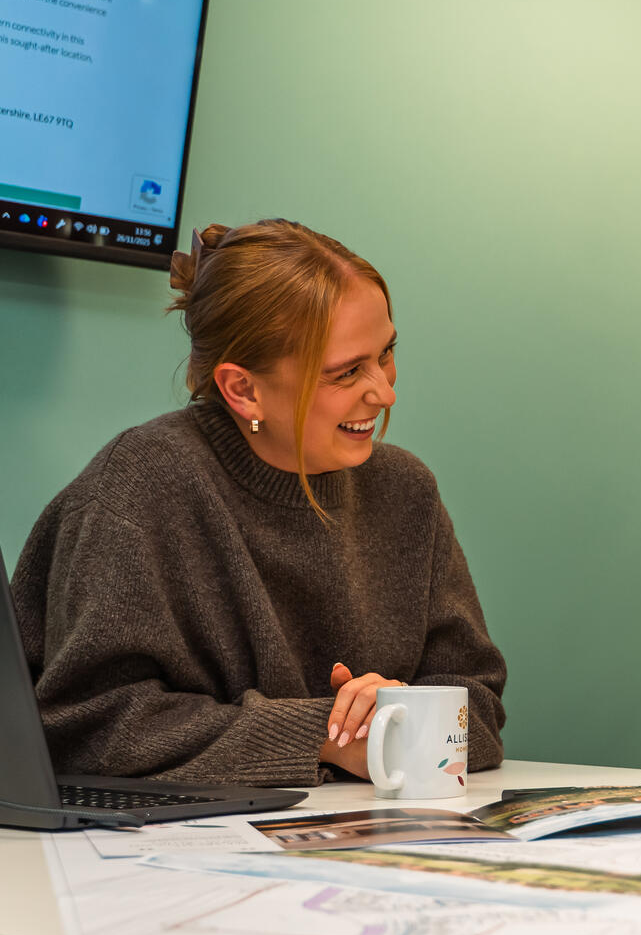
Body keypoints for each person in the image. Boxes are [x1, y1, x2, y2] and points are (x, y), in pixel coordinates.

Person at [10, 219, 507, 787]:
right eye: (347, 372)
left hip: (354, 840)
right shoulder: (138, 487)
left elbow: (480, 712)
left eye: (386, 353)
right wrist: (326, 733)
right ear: (242, 388)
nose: (385, 391)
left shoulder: (407, 491)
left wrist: (406, 713)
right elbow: (88, 730)